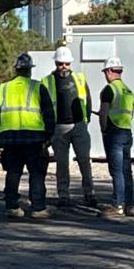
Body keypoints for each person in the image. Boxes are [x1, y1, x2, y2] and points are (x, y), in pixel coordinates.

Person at [0, 53, 55, 219]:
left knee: (13, 172)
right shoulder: (38, 87)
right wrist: (49, 136)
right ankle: (38, 208)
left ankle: (12, 207)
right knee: (36, 173)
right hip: (34, 138)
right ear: (29, 70)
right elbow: (49, 114)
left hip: (10, 138)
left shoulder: (3, 88)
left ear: (16, 70)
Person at [41, 45, 96, 207]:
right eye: (60, 63)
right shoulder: (47, 81)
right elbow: (43, 106)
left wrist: (85, 121)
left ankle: (89, 193)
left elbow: (88, 100)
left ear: (70, 64)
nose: (63, 67)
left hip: (79, 126)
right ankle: (63, 195)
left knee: (85, 161)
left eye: (66, 63)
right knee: (62, 163)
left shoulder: (79, 78)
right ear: (56, 63)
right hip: (59, 128)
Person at [97, 56, 133, 217]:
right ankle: (130, 205)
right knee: (126, 171)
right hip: (126, 132)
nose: (105, 75)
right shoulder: (128, 91)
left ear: (111, 71)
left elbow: (103, 114)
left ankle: (118, 204)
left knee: (116, 171)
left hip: (114, 133)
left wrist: (104, 130)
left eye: (106, 71)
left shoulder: (109, 89)